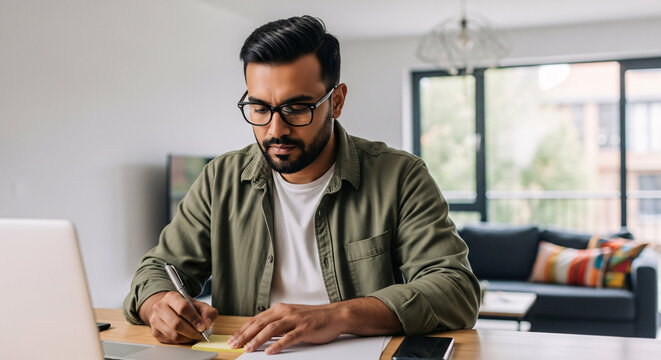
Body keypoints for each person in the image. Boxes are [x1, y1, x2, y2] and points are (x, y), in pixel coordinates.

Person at [123, 15, 480, 355]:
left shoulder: (400, 176)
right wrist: (159, 305)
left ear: (336, 101)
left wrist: (337, 316)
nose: (275, 130)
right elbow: (156, 270)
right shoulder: (220, 179)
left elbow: (455, 288)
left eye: (296, 108)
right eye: (260, 108)